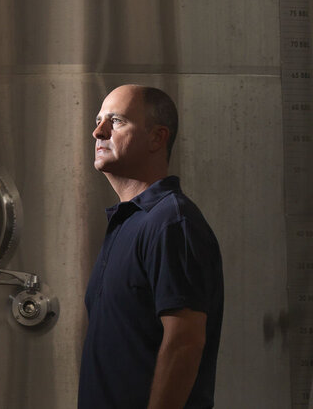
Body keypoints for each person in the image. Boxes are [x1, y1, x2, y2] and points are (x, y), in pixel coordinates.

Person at [79, 84, 224, 409]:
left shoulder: (171, 222)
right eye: (99, 120)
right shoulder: (130, 222)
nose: (97, 131)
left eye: (116, 121)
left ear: (158, 138)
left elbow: (184, 340)